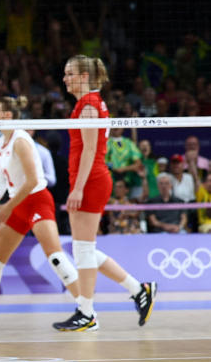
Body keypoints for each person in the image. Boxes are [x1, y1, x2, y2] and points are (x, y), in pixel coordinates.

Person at [53, 55, 155, 331]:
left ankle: (87, 312)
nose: (65, 79)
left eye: (70, 74)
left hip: (91, 180)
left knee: (83, 250)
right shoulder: (90, 102)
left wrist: (77, 188)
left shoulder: (88, 105)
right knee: (85, 249)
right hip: (91, 179)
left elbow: (88, 150)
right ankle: (139, 289)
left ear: (84, 77)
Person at [0, 96, 80, 326]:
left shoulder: (21, 140)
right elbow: (1, 182)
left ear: (7, 116)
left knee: (56, 258)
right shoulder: (0, 142)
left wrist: (7, 207)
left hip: (37, 200)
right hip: (17, 204)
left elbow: (32, 181)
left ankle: (86, 309)